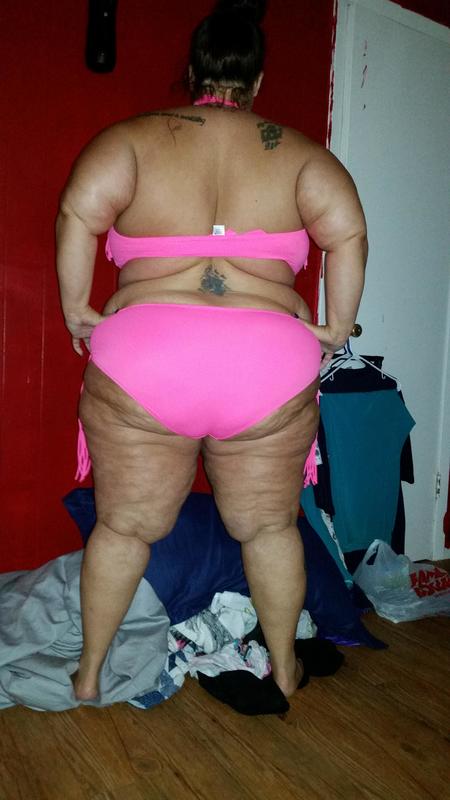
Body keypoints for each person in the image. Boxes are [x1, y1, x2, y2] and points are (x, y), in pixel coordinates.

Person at [56, 0, 367, 703]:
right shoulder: (301, 155)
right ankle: (283, 667)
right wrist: (337, 326)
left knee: (124, 528)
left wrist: (78, 308)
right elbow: (348, 233)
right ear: (256, 81)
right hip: (267, 365)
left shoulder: (132, 139)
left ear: (194, 71)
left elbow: (77, 210)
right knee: (269, 528)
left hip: (146, 359)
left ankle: (89, 674)